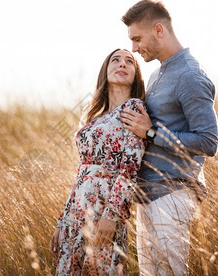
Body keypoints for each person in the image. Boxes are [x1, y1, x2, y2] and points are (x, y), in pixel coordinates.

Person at [119, 0, 218, 275]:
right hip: (148, 197)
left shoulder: (189, 75)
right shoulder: (157, 74)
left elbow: (209, 142)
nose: (134, 48)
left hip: (172, 194)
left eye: (137, 39)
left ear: (159, 29)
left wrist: (150, 132)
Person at [50, 48, 147, 275]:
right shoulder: (95, 118)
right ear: (106, 70)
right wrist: (62, 222)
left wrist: (112, 216)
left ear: (135, 75)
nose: (122, 64)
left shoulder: (133, 109)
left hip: (104, 210)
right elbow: (81, 173)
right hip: (77, 211)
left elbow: (130, 168)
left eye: (129, 61)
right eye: (116, 60)